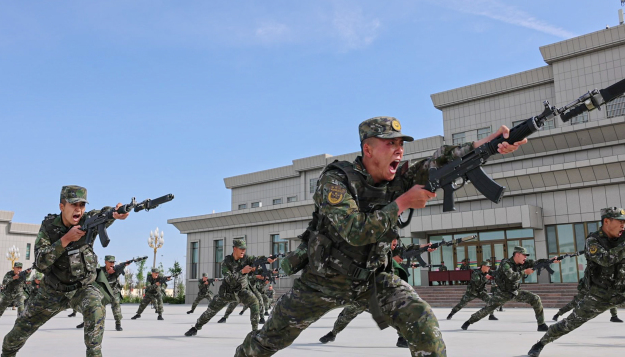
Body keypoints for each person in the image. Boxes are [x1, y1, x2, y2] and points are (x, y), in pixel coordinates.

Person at [235, 116, 526, 357]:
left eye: (401, 144)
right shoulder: (336, 179)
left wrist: (485, 145)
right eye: (391, 144)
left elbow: (439, 160)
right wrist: (401, 203)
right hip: (322, 281)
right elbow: (354, 231)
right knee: (265, 344)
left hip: (372, 280)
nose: (399, 150)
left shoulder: (398, 178)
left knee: (423, 323)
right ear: (369, 149)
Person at [0, 185, 129, 357]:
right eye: (74, 205)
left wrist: (116, 212)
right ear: (62, 206)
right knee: (16, 334)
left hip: (83, 287)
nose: (79, 209)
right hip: (52, 290)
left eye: (82, 205)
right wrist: (65, 240)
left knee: (96, 308)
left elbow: (106, 214)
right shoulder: (48, 227)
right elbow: (40, 263)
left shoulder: (89, 220)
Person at [528, 207, 625, 356]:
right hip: (599, 295)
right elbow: (606, 259)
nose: (623, 225)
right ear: (607, 221)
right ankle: (540, 344)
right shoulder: (593, 240)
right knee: (570, 323)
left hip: (622, 290)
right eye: (620, 221)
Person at [318, 238, 417, 348]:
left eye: (395, 245)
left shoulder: (391, 258)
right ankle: (333, 333)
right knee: (346, 315)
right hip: (363, 293)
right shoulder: (373, 253)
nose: (394, 246)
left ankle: (402, 338)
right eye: (393, 244)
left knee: (394, 313)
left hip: (379, 296)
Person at [185, 239, 275, 336]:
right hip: (227, 292)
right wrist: (242, 272)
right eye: (241, 249)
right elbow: (229, 279)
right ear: (234, 248)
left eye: (244, 249)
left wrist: (267, 260)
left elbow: (257, 259)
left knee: (255, 302)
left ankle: (255, 332)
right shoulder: (226, 263)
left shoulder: (246, 259)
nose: (243, 251)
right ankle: (196, 327)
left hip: (242, 291)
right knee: (211, 311)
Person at [461, 246, 559, 331]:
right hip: (502, 294)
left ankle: (541, 325)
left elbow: (537, 262)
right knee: (486, 310)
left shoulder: (523, 263)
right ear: (517, 254)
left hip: (515, 292)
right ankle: (468, 322)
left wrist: (551, 260)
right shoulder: (505, 264)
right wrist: (525, 272)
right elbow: (512, 276)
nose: (526, 257)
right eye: (524, 255)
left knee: (535, 298)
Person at [551, 275, 621, 323]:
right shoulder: (591, 273)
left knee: (611, 300)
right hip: (585, 292)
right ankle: (557, 314)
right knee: (573, 304)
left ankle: (614, 316)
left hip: (596, 291)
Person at [100, 255, 128, 331]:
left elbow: (119, 270)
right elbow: (98, 279)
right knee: (100, 307)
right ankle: (99, 324)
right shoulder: (101, 270)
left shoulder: (116, 269)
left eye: (113, 262)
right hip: (104, 291)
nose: (112, 264)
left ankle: (118, 324)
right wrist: (107, 273)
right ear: (106, 262)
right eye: (110, 262)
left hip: (114, 291)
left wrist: (124, 265)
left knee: (116, 304)